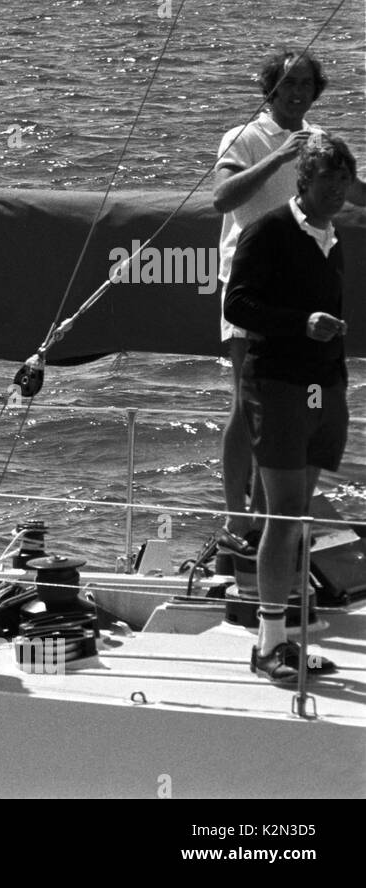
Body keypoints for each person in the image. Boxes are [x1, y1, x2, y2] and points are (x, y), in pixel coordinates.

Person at [212, 51, 366, 555]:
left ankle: (273, 511)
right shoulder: (244, 138)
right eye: (286, 83)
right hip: (253, 290)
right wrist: (278, 158)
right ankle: (236, 519)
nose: (296, 91)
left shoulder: (319, 140)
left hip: (305, 295)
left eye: (305, 83)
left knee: (304, 402)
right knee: (245, 404)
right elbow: (222, 198)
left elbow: (353, 191)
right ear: (269, 89)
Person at [223, 134, 354, 682]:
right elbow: (237, 303)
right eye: (327, 182)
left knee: (300, 514)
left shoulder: (331, 237)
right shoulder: (269, 230)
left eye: (343, 183)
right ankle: (269, 641)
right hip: (275, 384)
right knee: (281, 516)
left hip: (321, 387)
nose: (336, 193)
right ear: (304, 180)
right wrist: (300, 323)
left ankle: (284, 638)